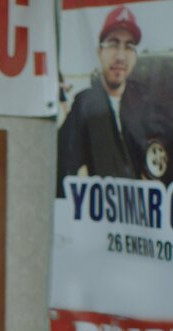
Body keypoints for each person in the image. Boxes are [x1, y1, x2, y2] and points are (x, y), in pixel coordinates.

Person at [57, 5, 147, 195]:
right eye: (113, 44)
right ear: (99, 52)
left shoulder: (142, 103)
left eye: (129, 46)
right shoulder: (86, 104)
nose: (120, 56)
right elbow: (62, 168)